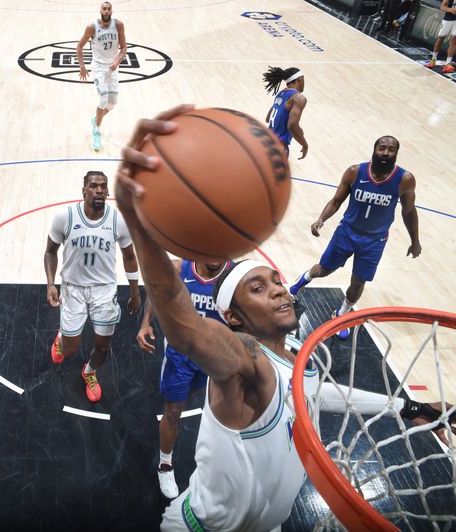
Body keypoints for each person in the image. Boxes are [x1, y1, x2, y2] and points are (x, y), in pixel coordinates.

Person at [113, 105, 453, 532]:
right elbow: (186, 328)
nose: (277, 288)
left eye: (275, 280)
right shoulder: (245, 358)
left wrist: (408, 407)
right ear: (233, 318)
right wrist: (135, 218)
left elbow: (323, 394)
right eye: (257, 288)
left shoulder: (292, 360)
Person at [289, 135, 421, 339]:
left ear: (396, 153)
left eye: (391, 149)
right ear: (374, 149)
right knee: (323, 270)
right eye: (382, 148)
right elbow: (336, 201)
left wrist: (415, 241)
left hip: (374, 241)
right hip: (347, 233)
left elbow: (409, 212)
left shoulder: (405, 180)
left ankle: (341, 314)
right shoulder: (355, 172)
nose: (385, 153)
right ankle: (303, 280)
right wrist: (321, 219)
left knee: (358, 282)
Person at [44, 170, 140, 403]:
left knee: (103, 348)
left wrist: (135, 292)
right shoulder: (64, 217)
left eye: (103, 186)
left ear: (108, 192)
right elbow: (50, 252)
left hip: (104, 290)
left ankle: (89, 372)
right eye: (94, 186)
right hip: (73, 289)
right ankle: (62, 338)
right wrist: (50, 284)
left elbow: (129, 256)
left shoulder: (118, 220)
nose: (99, 190)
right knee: (69, 350)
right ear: (84, 190)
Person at [137, 259, 229, 499]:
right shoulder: (179, 269)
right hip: (181, 355)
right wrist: (146, 322)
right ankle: (165, 464)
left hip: (215, 356)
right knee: (174, 409)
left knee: (220, 412)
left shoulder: (235, 275)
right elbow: (157, 290)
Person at [77, 1, 126, 152]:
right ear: (100, 11)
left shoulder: (118, 25)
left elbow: (124, 47)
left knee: (112, 104)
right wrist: (82, 67)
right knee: (103, 99)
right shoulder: (92, 27)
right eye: (104, 9)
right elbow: (79, 46)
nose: (106, 11)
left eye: (108, 9)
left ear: (111, 11)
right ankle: (97, 131)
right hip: (98, 68)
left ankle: (96, 119)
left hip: (112, 68)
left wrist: (117, 62)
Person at [263, 66, 309, 159]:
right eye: (303, 79)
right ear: (299, 80)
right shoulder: (298, 98)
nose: (304, 83)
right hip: (278, 148)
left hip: (265, 143)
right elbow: (292, 125)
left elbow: (268, 119)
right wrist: (304, 144)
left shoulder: (280, 94)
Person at [426, 0, 456, 72]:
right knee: (440, 38)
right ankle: (433, 59)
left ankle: (448, 64)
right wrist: (450, 10)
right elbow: (442, 7)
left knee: (454, 40)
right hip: (448, 19)